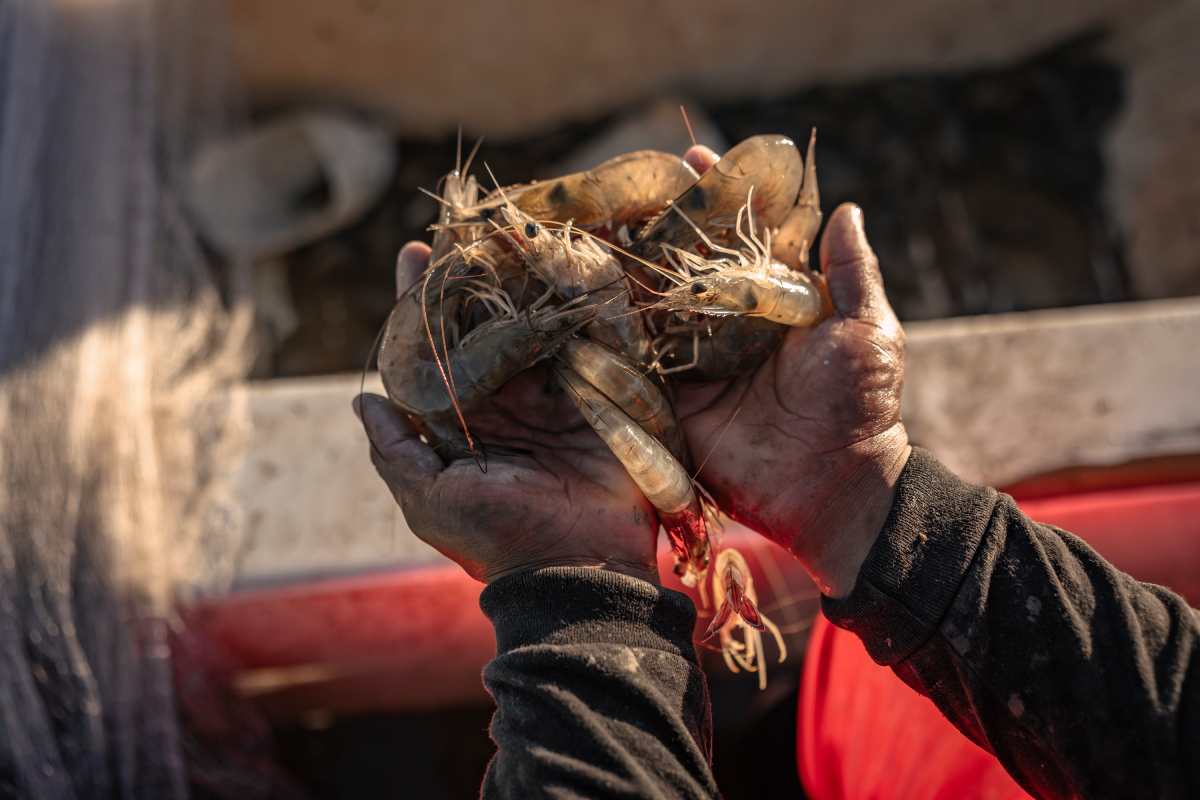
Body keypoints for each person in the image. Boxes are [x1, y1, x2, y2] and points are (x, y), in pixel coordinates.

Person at [354, 144, 1199, 799]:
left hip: (908, 737)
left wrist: (572, 594)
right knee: (783, 738)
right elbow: (1169, 713)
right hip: (910, 728)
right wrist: (858, 492)